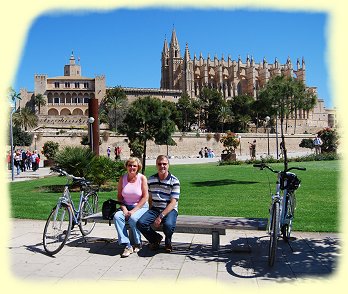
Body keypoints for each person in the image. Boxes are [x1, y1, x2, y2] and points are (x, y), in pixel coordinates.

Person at [137, 155, 180, 253]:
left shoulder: (174, 181)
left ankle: (168, 242)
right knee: (140, 223)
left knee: (168, 225)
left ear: (168, 165)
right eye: (159, 164)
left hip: (170, 210)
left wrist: (160, 216)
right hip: (155, 208)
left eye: (164, 164)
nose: (162, 166)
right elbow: (150, 197)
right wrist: (150, 211)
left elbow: (173, 202)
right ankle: (155, 239)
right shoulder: (151, 179)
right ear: (156, 165)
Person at [113, 157, 149, 258]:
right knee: (117, 217)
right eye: (130, 165)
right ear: (126, 167)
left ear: (138, 167)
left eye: (134, 166)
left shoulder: (142, 178)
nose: (132, 167)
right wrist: (124, 208)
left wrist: (133, 210)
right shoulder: (122, 178)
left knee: (133, 218)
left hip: (141, 207)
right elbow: (120, 197)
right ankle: (127, 245)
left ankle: (138, 243)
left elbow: (145, 197)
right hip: (126, 206)